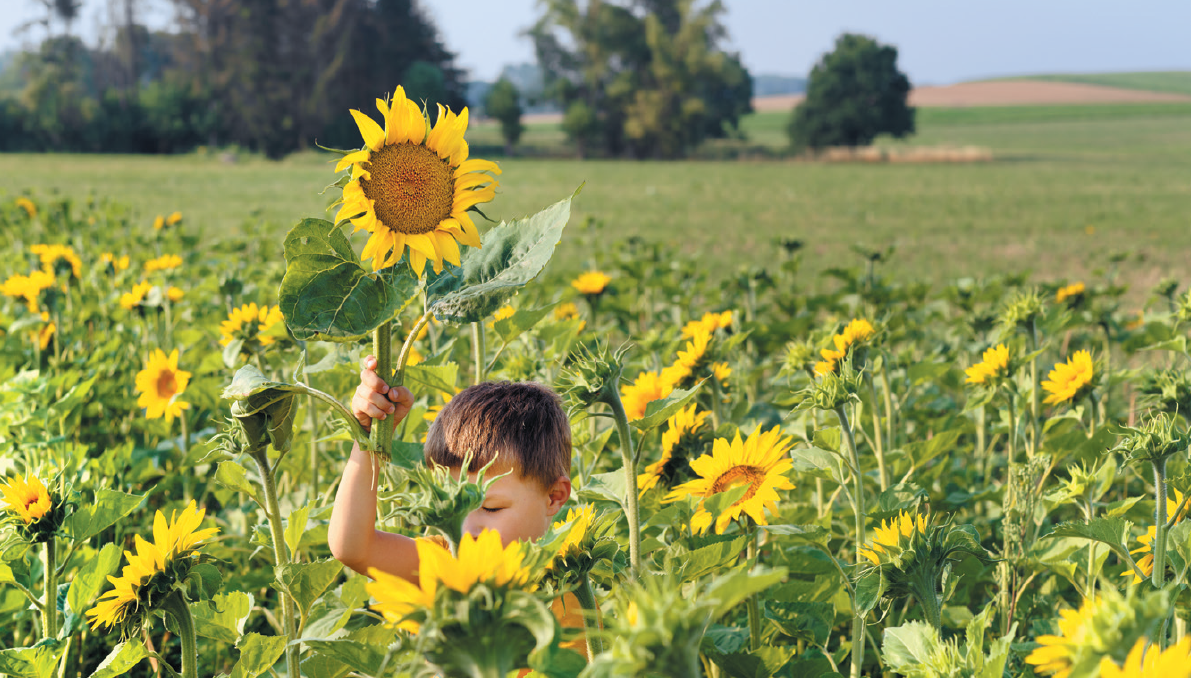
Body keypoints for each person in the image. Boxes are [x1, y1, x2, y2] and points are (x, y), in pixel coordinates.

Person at [328, 357, 588, 659]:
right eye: (452, 508)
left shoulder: (566, 594)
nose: (467, 530)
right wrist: (368, 437)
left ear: (554, 497)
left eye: (491, 508)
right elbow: (353, 547)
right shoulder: (448, 562)